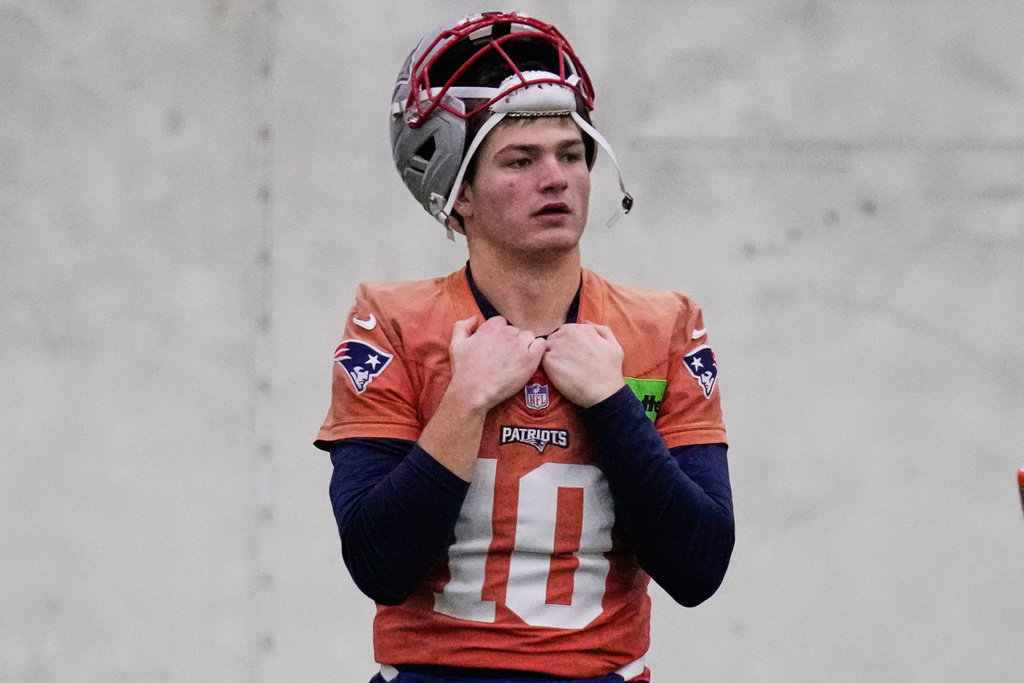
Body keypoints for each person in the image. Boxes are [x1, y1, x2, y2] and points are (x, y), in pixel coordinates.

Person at [315, 12, 734, 683]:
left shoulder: (663, 326)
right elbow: (379, 563)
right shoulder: (394, 323)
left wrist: (612, 402)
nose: (556, 177)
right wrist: (466, 400)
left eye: (570, 154)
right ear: (458, 193)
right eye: (520, 160)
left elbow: (699, 568)